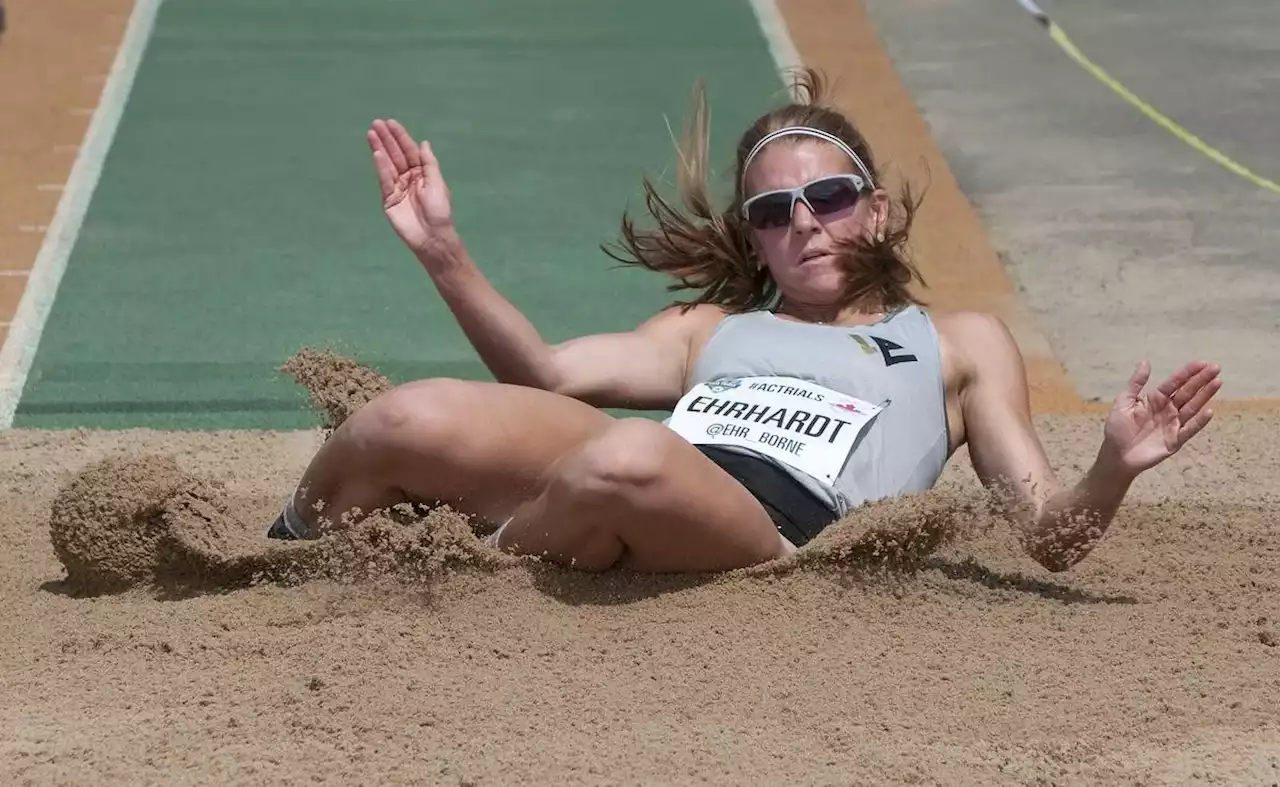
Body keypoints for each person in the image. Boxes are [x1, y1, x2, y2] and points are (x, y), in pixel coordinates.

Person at [268, 70, 1220, 574]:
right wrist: (443, 253)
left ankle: (478, 559)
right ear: (756, 240)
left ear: (876, 210)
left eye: (831, 198)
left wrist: (1110, 468)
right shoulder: (705, 328)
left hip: (774, 533)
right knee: (403, 418)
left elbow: (1049, 535)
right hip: (639, 470)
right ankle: (285, 557)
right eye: (773, 212)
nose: (804, 222)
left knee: (625, 463)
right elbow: (548, 375)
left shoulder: (958, 343)